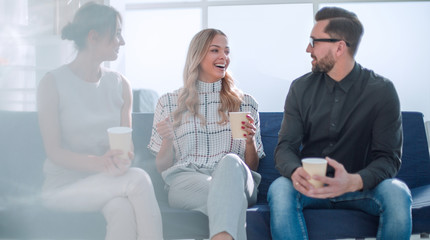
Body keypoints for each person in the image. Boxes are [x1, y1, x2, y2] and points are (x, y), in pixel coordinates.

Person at [267, 7, 412, 240]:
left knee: (397, 193)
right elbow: (285, 147)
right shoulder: (300, 88)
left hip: (360, 188)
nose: (308, 49)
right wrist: (295, 171)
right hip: (311, 188)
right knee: (280, 189)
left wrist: (354, 181)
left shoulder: (382, 91)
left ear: (339, 47)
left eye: (314, 42)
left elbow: (388, 158)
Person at [37, 2, 163, 240]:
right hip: (63, 187)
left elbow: (125, 146)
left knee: (122, 209)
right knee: (139, 180)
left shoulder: (120, 85)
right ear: (93, 37)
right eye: (116, 34)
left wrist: (120, 159)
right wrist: (101, 164)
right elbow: (54, 152)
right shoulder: (52, 83)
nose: (122, 41)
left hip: (106, 181)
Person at [148, 28, 265, 240]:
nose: (224, 57)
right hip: (187, 180)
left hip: (237, 178)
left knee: (230, 163)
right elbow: (162, 168)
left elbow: (252, 167)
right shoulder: (168, 102)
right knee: (229, 197)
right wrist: (166, 140)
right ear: (198, 55)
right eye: (215, 50)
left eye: (227, 51)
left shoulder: (246, 103)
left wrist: (249, 142)